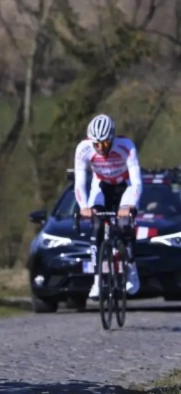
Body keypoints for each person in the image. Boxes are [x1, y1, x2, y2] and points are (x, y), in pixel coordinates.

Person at [74, 113, 141, 299]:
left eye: (104, 144)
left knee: (124, 224)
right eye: (96, 144)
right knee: (96, 226)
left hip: (124, 186)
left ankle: (132, 269)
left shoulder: (126, 147)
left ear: (112, 139)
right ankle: (96, 281)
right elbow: (79, 183)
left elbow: (136, 183)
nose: (100, 148)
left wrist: (129, 205)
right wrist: (83, 206)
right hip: (101, 186)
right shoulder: (83, 149)